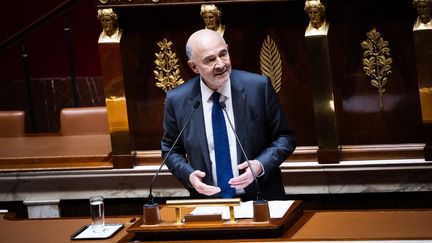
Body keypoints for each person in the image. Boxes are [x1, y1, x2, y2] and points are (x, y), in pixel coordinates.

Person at [161, 29, 296, 201]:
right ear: (193, 67)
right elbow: (170, 149)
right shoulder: (177, 100)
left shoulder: (258, 88)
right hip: (209, 205)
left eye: (223, 54)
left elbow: (285, 137)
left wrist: (260, 165)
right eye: (210, 60)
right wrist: (189, 176)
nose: (221, 64)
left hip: (261, 199)